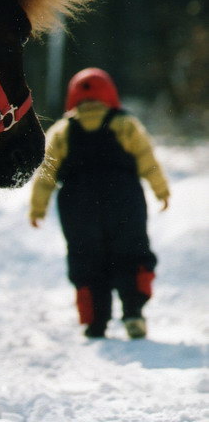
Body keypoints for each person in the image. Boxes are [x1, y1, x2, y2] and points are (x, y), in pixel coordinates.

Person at [29, 68, 170, 339]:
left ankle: (95, 321)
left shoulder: (63, 130)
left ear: (72, 98)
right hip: (124, 201)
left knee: (86, 258)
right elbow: (147, 159)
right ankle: (133, 312)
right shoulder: (124, 124)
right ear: (110, 94)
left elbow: (46, 174)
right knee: (131, 253)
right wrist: (161, 191)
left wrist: (37, 208)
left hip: (78, 204)